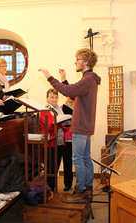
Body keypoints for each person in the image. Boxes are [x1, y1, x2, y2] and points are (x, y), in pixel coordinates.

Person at [39, 48, 101, 204]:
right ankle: (88, 189)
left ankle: (80, 191)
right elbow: (72, 94)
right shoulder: (89, 79)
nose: (76, 62)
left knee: (78, 159)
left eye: (78, 59)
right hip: (86, 124)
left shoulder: (88, 79)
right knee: (86, 158)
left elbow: (68, 91)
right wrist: (64, 79)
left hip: (80, 125)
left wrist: (49, 77)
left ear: (86, 62)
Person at [40, 88, 67, 192]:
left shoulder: (59, 110)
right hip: (50, 142)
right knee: (50, 167)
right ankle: (49, 188)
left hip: (60, 142)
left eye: (56, 97)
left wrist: (66, 124)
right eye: (52, 97)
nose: (54, 99)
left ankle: (52, 187)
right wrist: (61, 124)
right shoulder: (44, 110)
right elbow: (49, 125)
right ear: (47, 98)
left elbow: (62, 126)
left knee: (56, 166)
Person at [61, 95, 74, 191]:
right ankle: (66, 184)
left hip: (75, 138)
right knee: (65, 161)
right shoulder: (61, 108)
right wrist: (63, 125)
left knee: (73, 162)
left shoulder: (78, 107)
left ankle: (72, 184)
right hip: (64, 138)